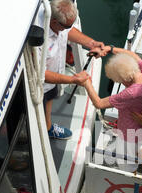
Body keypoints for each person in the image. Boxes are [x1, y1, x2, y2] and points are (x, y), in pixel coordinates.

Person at [82, 45, 142, 172]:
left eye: (119, 81)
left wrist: (86, 83)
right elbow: (133, 55)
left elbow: (100, 103)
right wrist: (110, 49)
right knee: (141, 145)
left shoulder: (131, 93)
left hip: (129, 134)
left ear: (124, 79)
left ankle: (130, 174)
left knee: (125, 162)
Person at [37, 0, 106, 139]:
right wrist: (73, 79)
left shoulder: (59, 25)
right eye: (66, 26)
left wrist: (91, 43)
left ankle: (48, 127)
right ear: (55, 21)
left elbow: (69, 31)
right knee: (39, 109)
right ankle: (43, 132)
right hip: (39, 85)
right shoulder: (39, 36)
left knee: (50, 95)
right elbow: (41, 74)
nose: (68, 28)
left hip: (52, 79)